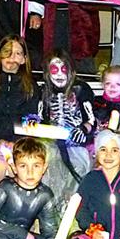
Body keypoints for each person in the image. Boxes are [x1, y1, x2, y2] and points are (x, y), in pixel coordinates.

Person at [34, 49, 95, 209]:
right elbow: (39, 118)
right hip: (52, 142)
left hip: (76, 142)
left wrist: (83, 129)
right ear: (47, 72)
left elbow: (91, 119)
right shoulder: (44, 91)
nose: (60, 74)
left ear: (71, 70)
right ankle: (50, 207)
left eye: (64, 69)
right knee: (50, 163)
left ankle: (71, 207)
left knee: (79, 166)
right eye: (54, 70)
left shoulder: (81, 89)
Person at [0, 36, 40, 192]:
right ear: (0, 55)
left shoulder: (30, 86)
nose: (12, 58)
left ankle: (24, 211)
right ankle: (0, 210)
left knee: (22, 169)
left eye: (18, 53)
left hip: (21, 140)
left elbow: (30, 118)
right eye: (8, 52)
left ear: (24, 59)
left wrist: (16, 141)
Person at [92, 65, 120, 134]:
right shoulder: (96, 102)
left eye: (118, 84)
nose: (112, 87)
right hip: (98, 137)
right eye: (108, 83)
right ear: (103, 85)